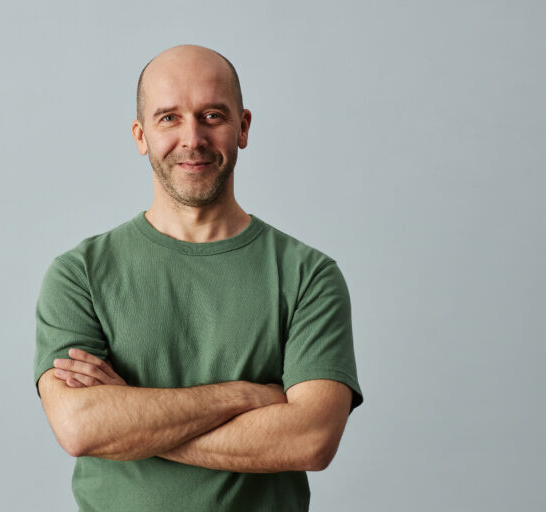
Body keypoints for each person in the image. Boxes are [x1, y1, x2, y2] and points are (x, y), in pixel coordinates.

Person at [34, 44, 363, 512]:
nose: (192, 138)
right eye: (168, 118)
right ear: (140, 134)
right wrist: (247, 395)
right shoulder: (79, 274)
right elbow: (80, 427)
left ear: (243, 127)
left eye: (212, 115)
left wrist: (134, 421)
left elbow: (310, 440)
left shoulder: (309, 276)